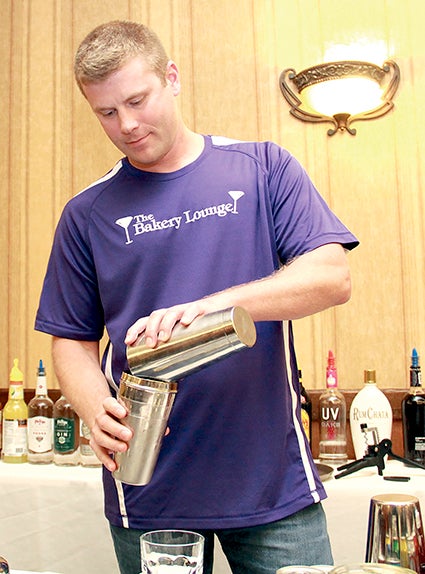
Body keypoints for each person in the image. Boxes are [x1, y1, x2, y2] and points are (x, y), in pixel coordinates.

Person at [35, 20, 358, 574]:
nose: (127, 125)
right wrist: (93, 408)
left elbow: (331, 276)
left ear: (173, 78)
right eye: (106, 113)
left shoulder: (263, 168)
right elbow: (71, 338)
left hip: (271, 484)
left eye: (137, 100)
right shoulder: (86, 214)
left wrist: (215, 306)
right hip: (149, 483)